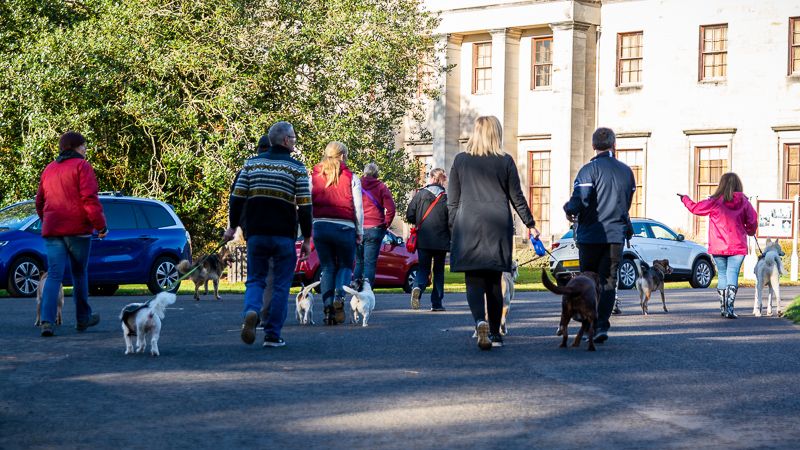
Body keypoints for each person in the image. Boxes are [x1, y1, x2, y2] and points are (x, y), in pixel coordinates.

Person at [448, 116, 538, 350]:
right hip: (497, 225)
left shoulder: (460, 161)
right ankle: (495, 332)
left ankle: (480, 321)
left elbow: (453, 202)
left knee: (474, 280)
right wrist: (530, 224)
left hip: (468, 225)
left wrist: (453, 228)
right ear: (496, 134)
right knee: (495, 282)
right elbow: (516, 197)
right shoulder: (505, 161)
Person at [225, 122, 312, 347]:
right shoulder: (297, 169)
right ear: (284, 141)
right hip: (284, 235)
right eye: (293, 137)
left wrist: (233, 226)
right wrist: (307, 239)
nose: (295, 141)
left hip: (257, 234)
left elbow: (237, 197)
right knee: (282, 285)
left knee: (255, 279)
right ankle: (273, 335)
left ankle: (252, 311)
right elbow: (305, 206)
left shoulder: (251, 165)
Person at [563, 127, 636, 344]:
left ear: (593, 146)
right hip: (615, 235)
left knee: (589, 280)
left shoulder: (588, 171)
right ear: (614, 145)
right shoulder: (626, 172)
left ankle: (590, 324)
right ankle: (602, 324)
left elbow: (580, 200)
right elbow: (626, 204)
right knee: (609, 281)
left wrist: (568, 209)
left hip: (591, 234)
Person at [35, 131, 107, 337]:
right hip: (77, 230)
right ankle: (82, 318)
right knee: (79, 273)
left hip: (52, 230)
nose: (85, 149)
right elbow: (89, 199)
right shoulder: (82, 166)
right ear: (75, 147)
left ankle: (47, 321)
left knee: (54, 275)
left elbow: (39, 201)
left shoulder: (49, 169)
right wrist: (100, 226)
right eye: (83, 146)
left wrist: (47, 219)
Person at [679, 172, 757, 318]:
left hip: (718, 245)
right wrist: (749, 230)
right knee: (732, 273)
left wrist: (685, 199)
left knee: (722, 274)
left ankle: (722, 307)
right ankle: (730, 309)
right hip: (738, 245)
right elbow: (752, 221)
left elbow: (695, 208)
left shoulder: (714, 201)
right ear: (738, 185)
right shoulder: (744, 202)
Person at [311, 141, 364, 325]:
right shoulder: (351, 177)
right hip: (344, 226)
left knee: (327, 268)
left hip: (320, 225)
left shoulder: (314, 175)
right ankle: (339, 298)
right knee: (345, 266)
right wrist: (359, 230)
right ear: (342, 156)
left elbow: (308, 200)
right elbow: (357, 207)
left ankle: (327, 308)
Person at [406, 168, 450, 311]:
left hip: (424, 238)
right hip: (441, 240)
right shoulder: (446, 198)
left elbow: (410, 215)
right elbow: (451, 220)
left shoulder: (420, 194)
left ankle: (417, 286)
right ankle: (436, 303)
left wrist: (419, 220)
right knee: (438, 271)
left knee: (423, 268)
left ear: (431, 178)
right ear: (442, 180)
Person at [353, 162, 396, 286]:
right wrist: (385, 224)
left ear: (365, 172)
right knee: (370, 263)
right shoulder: (381, 187)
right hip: (375, 228)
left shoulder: (356, 185)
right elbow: (391, 209)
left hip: (358, 227)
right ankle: (367, 291)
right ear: (376, 173)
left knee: (359, 262)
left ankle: (356, 290)